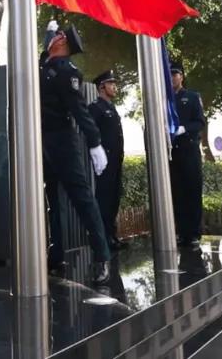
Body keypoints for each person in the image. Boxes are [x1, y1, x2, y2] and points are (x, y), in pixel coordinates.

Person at [39, 22, 111, 285]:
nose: (52, 37)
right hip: (41, 141)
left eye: (57, 35)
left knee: (82, 199)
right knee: (52, 202)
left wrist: (95, 142)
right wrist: (50, 32)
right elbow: (44, 49)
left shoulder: (67, 71)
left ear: (62, 43)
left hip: (62, 141)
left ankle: (102, 257)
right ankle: (56, 256)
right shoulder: (45, 64)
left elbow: (79, 109)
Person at [88, 70, 127, 250]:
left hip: (116, 159)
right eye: (111, 84)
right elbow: (92, 133)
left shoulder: (111, 107)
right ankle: (103, 238)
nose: (115, 87)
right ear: (102, 87)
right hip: (104, 160)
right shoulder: (95, 107)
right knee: (104, 199)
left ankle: (112, 235)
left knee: (114, 198)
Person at [169, 62, 206, 247]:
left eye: (175, 74)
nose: (172, 77)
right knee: (177, 193)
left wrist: (184, 128)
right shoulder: (165, 99)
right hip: (173, 151)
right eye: (169, 74)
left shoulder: (192, 97)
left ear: (181, 77)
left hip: (189, 149)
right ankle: (182, 232)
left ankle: (194, 233)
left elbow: (200, 122)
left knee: (192, 190)